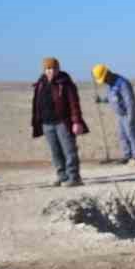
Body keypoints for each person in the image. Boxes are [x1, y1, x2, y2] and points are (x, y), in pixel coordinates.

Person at [30, 57, 87, 187]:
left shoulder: (65, 83)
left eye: (54, 68)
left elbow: (74, 104)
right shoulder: (41, 83)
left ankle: (74, 177)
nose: (51, 71)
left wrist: (76, 122)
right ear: (44, 70)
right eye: (48, 68)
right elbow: (36, 103)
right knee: (55, 152)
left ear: (58, 68)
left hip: (63, 122)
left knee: (69, 150)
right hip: (47, 123)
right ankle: (62, 176)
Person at [91, 64, 135, 163]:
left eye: (104, 79)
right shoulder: (110, 85)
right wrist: (101, 100)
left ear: (107, 74)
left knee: (132, 134)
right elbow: (111, 99)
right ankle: (127, 156)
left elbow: (130, 102)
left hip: (128, 114)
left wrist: (131, 118)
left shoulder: (122, 83)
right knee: (123, 136)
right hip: (120, 115)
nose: (104, 82)